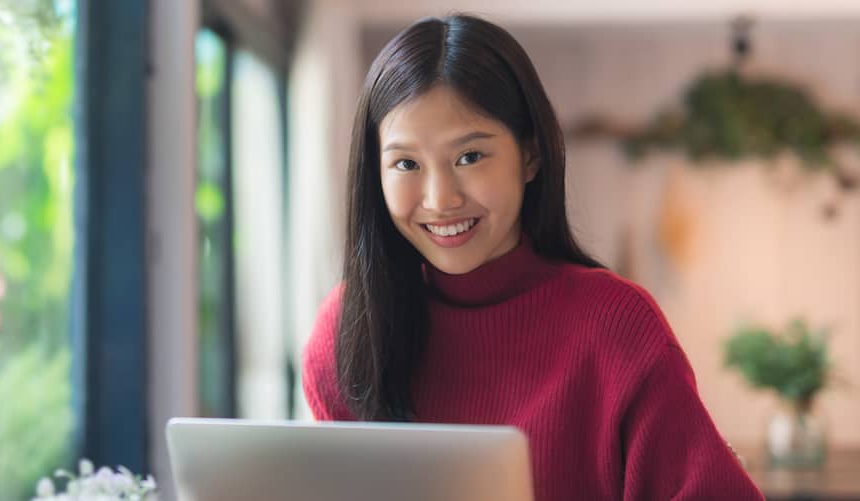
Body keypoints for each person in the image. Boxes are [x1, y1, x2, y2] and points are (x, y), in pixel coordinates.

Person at [302, 14, 764, 500]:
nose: (439, 199)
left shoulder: (616, 328)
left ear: (530, 156)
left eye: (470, 157)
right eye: (406, 164)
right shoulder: (347, 331)